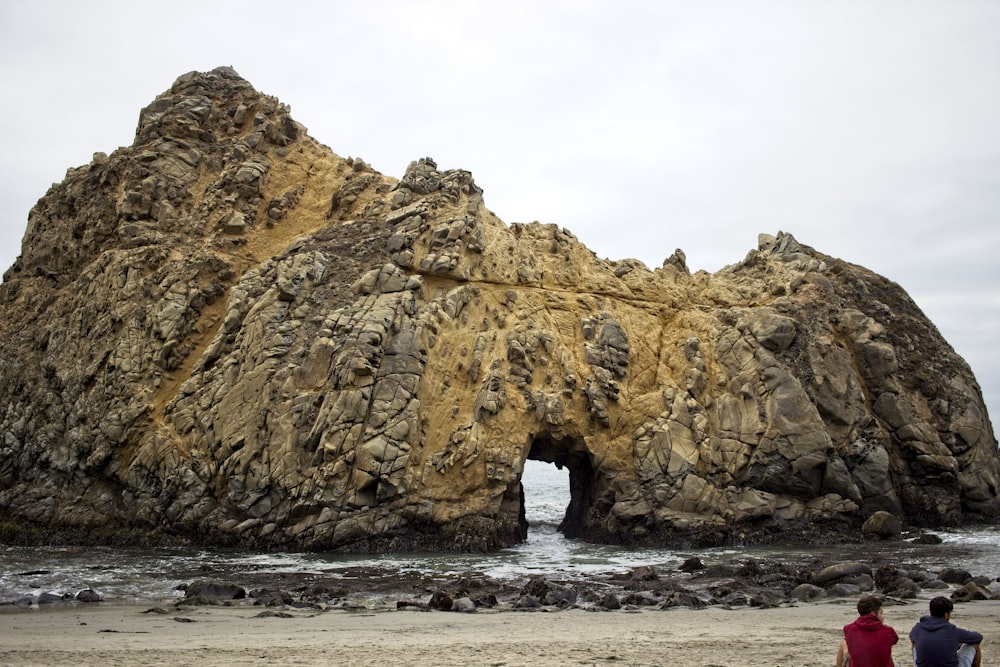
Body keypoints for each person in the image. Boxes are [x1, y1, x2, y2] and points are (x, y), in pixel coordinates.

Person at [910, 596, 983, 667]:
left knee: (915, 643)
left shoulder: (918, 628)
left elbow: (913, 637)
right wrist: (956, 643)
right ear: (946, 615)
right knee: (975, 645)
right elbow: (978, 637)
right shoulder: (952, 631)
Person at [836, 595, 898, 667]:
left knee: (844, 643)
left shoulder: (848, 629)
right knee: (884, 651)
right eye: (881, 613)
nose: (883, 617)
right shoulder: (888, 631)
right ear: (873, 614)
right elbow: (894, 639)